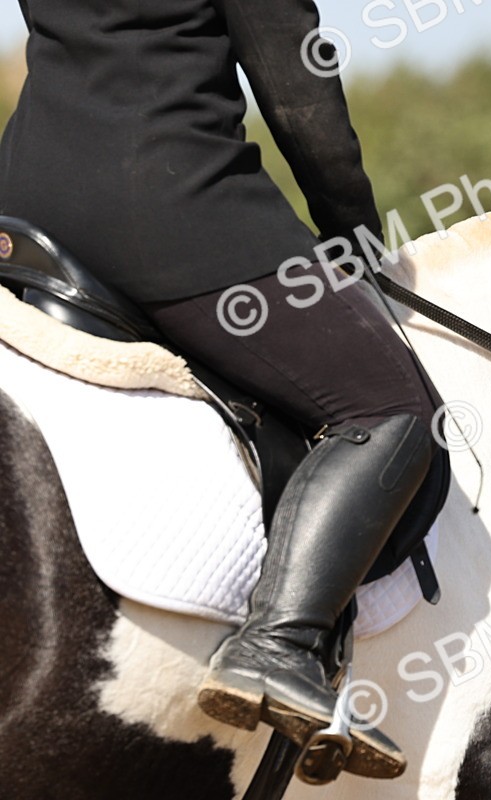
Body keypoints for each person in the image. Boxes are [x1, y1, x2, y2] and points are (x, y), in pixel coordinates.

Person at [0, 0, 434, 779]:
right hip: (171, 209)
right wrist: (357, 244)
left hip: (27, 202)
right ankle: (280, 644)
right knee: (389, 404)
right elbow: (301, 94)